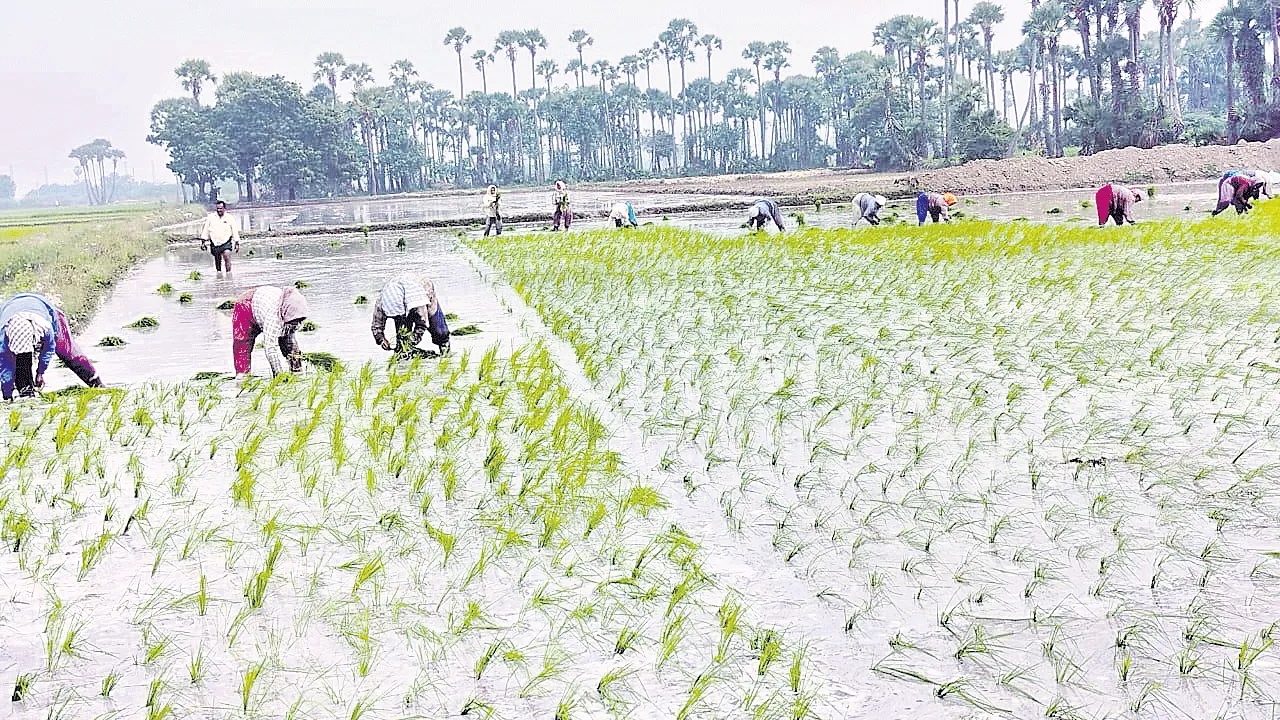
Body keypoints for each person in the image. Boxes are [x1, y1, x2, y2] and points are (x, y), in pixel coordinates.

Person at [0, 292, 102, 400]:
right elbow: (5, 366)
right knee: (18, 362)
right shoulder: (3, 337)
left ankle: (97, 384)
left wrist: (40, 373)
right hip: (11, 309)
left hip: (44, 308)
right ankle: (23, 392)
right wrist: (7, 393)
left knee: (67, 351)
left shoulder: (46, 328)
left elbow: (48, 349)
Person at [231, 285, 308, 378]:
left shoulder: (294, 310)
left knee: (291, 347)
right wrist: (279, 375)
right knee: (243, 345)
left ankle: (297, 373)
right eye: (294, 322)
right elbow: (270, 349)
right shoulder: (274, 318)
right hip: (246, 307)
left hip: (265, 304)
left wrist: (296, 363)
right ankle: (242, 377)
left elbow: (290, 340)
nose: (298, 325)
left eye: (300, 320)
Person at [370, 275, 450, 358]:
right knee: (402, 339)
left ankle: (445, 351)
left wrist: (413, 340)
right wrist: (381, 339)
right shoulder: (383, 302)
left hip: (423, 289)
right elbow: (376, 326)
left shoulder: (418, 300)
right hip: (400, 291)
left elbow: (423, 324)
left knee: (439, 331)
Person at [200, 200, 241, 274]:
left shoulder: (229, 218)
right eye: (218, 209)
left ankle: (229, 275)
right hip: (215, 242)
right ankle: (219, 274)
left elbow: (234, 230)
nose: (219, 210)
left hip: (226, 242)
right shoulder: (211, 217)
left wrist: (237, 242)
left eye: (221, 208)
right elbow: (206, 229)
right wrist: (203, 242)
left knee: (227, 256)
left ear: (224, 209)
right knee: (217, 261)